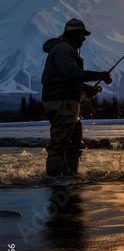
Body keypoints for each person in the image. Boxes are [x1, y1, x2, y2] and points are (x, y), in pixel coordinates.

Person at [41, 18, 111, 176]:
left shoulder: (63, 48)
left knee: (74, 144)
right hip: (62, 103)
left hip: (64, 102)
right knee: (59, 144)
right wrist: (98, 75)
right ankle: (54, 182)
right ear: (75, 34)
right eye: (82, 35)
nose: (84, 39)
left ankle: (70, 179)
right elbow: (70, 73)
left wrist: (84, 88)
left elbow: (66, 77)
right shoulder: (64, 49)